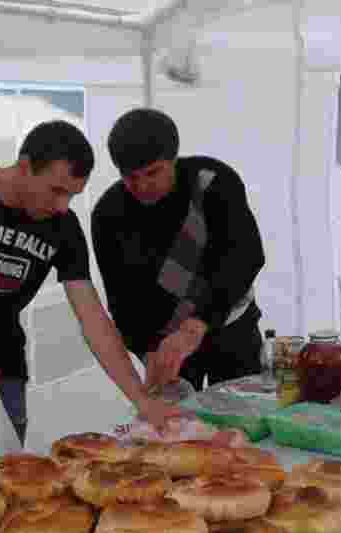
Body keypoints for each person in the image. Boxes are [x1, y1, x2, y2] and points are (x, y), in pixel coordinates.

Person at [0, 120, 182, 476]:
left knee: (7, 489)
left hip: (3, 373)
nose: (61, 205)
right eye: (55, 190)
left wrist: (140, 399)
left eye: (71, 195)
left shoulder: (63, 226)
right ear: (24, 166)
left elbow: (92, 316)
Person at [91, 108, 266, 393]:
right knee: (177, 430)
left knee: (246, 420)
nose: (142, 185)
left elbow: (245, 258)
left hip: (231, 326)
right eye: (130, 177)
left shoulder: (212, 181)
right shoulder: (108, 214)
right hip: (166, 344)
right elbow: (122, 300)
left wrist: (195, 327)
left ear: (173, 159)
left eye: (152, 173)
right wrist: (147, 353)